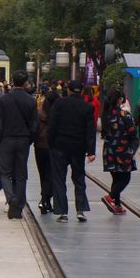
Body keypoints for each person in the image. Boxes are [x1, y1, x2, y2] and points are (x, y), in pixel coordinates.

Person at [49, 80, 96, 222]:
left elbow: (53, 125)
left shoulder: (59, 104)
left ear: (68, 90)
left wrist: (51, 144)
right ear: (81, 91)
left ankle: (62, 212)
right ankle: (80, 210)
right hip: (78, 148)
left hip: (60, 146)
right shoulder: (87, 107)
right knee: (79, 178)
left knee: (59, 179)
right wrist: (91, 151)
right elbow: (90, 131)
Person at [0, 71, 38, 220]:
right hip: (23, 140)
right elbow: (34, 125)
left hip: (6, 138)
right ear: (26, 83)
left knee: (5, 172)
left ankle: (11, 197)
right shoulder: (31, 101)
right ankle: (18, 206)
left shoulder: (4, 99)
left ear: (12, 81)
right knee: (21, 174)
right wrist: (30, 139)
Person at [101, 88, 138, 215]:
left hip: (109, 151)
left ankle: (116, 205)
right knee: (125, 178)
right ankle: (111, 197)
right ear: (120, 99)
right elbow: (133, 133)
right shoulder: (125, 115)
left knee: (116, 178)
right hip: (123, 150)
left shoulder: (106, 115)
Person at [34, 90, 59, 214]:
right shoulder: (58, 114)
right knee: (51, 175)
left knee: (43, 175)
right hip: (53, 147)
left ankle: (45, 200)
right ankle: (45, 200)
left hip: (39, 147)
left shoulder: (39, 113)